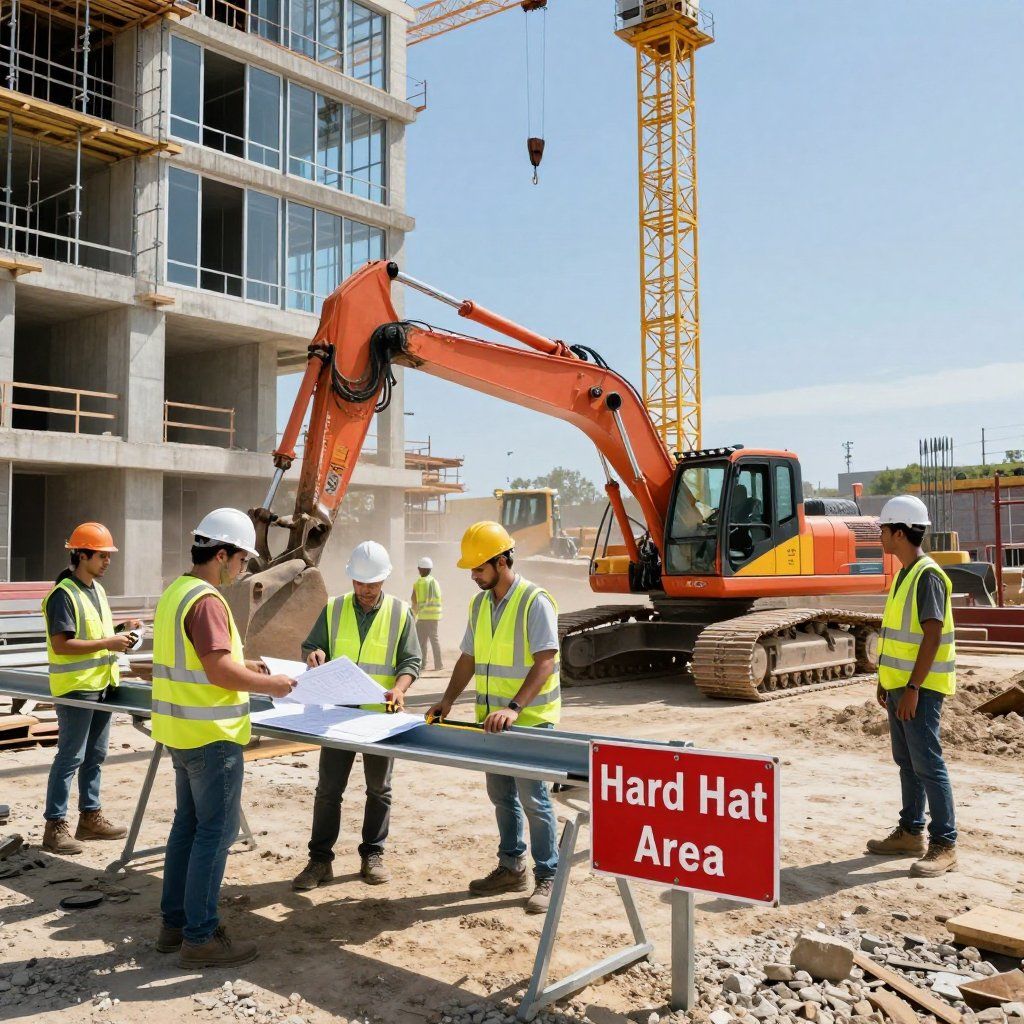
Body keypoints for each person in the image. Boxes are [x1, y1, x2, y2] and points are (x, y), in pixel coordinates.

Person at [152, 508, 296, 968]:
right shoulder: (209, 601)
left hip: (181, 733)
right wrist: (270, 684)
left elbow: (204, 662)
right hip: (212, 737)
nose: (243, 569)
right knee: (216, 834)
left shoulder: (175, 592)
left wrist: (245, 666)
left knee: (188, 827)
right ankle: (200, 937)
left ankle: (174, 925)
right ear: (221, 554)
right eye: (241, 559)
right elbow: (216, 670)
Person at [426, 521, 560, 915]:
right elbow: (468, 657)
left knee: (533, 800)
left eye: (479, 568)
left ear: (502, 562)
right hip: (493, 721)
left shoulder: (535, 600)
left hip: (530, 720)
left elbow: (546, 662)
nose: (472, 576)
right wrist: (447, 699)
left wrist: (514, 708)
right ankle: (510, 866)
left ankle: (547, 875)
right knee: (501, 796)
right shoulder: (479, 604)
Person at [292, 540, 421, 892]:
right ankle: (319, 860)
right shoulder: (333, 609)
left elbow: (411, 661)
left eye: (373, 584)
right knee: (329, 790)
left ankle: (372, 854)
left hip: (380, 718)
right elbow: (311, 645)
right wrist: (314, 653)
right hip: (337, 716)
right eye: (360, 583)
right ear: (351, 580)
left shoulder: (399, 612)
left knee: (379, 790)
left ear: (384, 580)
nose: (366, 590)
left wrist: (400, 688)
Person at [866, 494, 958, 878]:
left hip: (920, 688)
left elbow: (932, 636)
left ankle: (945, 843)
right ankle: (910, 831)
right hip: (899, 686)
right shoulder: (905, 574)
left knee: (928, 765)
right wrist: (885, 681)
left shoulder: (927, 575)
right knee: (907, 763)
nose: (881, 536)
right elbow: (897, 636)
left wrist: (915, 688)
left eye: (884, 530)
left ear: (899, 533)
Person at [41, 522, 142, 854]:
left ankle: (90, 817)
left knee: (95, 756)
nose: (107, 561)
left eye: (108, 555)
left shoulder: (96, 590)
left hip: (101, 685)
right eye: (101, 555)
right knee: (71, 756)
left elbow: (93, 632)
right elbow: (63, 645)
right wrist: (110, 641)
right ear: (81, 555)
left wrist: (120, 629)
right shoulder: (63, 595)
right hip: (77, 688)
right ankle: (55, 827)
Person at [411, 556, 443, 671]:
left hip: (422, 617)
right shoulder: (434, 582)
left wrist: (413, 616)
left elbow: (414, 601)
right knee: (434, 640)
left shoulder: (417, 583)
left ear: (420, 569)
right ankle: (438, 665)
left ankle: (422, 665)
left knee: (421, 642)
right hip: (433, 617)